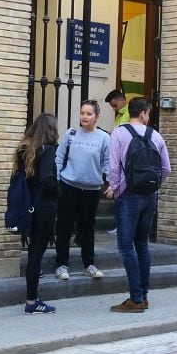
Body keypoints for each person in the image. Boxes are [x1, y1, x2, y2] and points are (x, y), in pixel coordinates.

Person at [106, 97, 171, 312]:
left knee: (126, 246)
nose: (148, 116)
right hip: (149, 196)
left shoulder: (119, 133)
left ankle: (135, 299)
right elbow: (166, 168)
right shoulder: (156, 135)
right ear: (143, 113)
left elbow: (114, 165)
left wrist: (115, 188)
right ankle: (143, 295)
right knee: (142, 244)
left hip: (128, 195)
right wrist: (154, 185)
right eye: (148, 113)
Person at [54, 99, 110, 281]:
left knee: (87, 227)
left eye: (89, 114)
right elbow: (58, 157)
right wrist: (56, 180)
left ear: (97, 117)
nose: (84, 117)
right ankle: (61, 265)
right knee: (64, 226)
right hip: (68, 186)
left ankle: (89, 265)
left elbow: (107, 162)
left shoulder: (104, 138)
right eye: (82, 113)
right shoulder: (70, 134)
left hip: (92, 189)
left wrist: (110, 183)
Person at [17, 113, 60, 314]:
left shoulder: (24, 150)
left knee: (34, 253)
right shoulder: (47, 150)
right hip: (44, 207)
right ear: (51, 130)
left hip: (28, 205)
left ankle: (31, 299)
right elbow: (47, 179)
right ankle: (32, 301)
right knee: (36, 254)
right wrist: (59, 191)